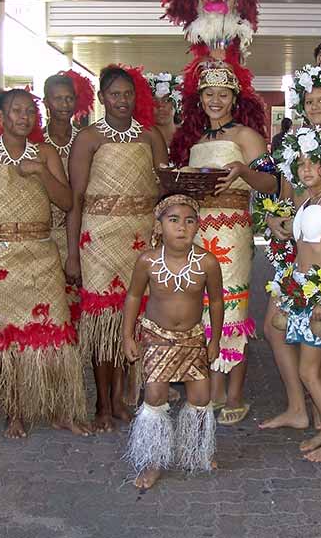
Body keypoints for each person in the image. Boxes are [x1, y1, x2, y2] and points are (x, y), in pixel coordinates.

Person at [0, 89, 87, 438]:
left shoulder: (45, 153)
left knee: (55, 330)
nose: (24, 117)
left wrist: (41, 173)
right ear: (0, 117)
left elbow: (66, 202)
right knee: (10, 335)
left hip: (42, 253)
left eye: (30, 111)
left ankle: (62, 408)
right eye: (16, 111)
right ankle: (15, 411)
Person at [174, 61, 277, 425]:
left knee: (231, 308)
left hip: (232, 231)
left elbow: (271, 184)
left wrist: (244, 172)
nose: (215, 100)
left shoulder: (247, 136)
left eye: (223, 94)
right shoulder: (198, 142)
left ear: (234, 98)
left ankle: (233, 394)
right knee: (203, 309)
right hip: (199, 230)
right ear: (199, 98)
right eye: (208, 94)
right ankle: (210, 387)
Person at [67, 66, 166, 432]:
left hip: (139, 238)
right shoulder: (88, 138)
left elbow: (164, 188)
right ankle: (102, 404)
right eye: (114, 94)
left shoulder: (150, 136)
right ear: (102, 98)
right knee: (103, 323)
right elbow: (75, 199)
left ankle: (124, 399)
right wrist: (73, 253)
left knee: (133, 318)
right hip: (99, 241)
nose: (121, 101)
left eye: (127, 94)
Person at [260, 63, 321, 431]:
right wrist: (276, 220)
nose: (315, 107)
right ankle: (299, 406)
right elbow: (289, 197)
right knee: (275, 328)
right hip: (297, 251)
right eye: (309, 101)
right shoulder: (296, 149)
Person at [122, 195, 224, 490]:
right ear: (160, 225)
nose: (182, 227)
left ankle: (195, 449)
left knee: (201, 397)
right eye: (174, 220)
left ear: (198, 227)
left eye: (189, 221)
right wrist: (127, 335)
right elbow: (133, 297)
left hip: (192, 338)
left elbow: (216, 302)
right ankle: (153, 460)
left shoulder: (207, 262)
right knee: (154, 396)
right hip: (156, 337)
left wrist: (214, 339)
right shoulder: (148, 261)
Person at [275, 128, 321, 462]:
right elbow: (300, 248)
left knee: (310, 372)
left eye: (315, 162)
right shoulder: (304, 200)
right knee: (314, 371)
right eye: (301, 163)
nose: (307, 169)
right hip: (302, 290)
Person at [42, 71, 94, 260]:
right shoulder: (34, 142)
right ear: (46, 101)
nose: (64, 105)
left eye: (69, 99)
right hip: (45, 235)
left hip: (82, 229)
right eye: (57, 99)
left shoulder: (87, 139)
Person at [146, 71, 183, 149]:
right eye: (154, 101)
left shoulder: (189, 136)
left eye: (166, 100)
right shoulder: (142, 139)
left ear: (177, 103)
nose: (160, 106)